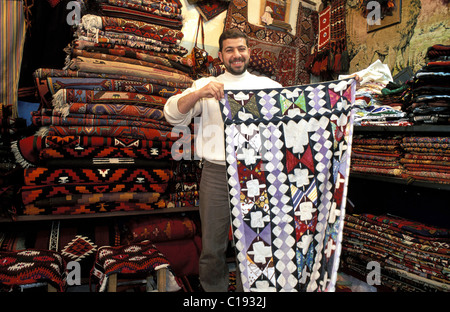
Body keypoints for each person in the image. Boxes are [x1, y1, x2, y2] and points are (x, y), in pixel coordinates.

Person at [164, 29, 282, 292]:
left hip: (256, 175)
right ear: (221, 56)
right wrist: (199, 93)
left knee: (255, 245)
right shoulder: (206, 86)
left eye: (241, 49)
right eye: (229, 50)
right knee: (212, 246)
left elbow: (297, 119)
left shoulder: (269, 88)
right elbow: (172, 115)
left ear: (249, 52)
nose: (236, 55)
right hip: (216, 173)